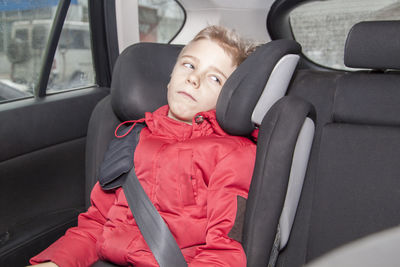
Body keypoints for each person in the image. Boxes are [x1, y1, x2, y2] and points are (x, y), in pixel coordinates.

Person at [29, 25, 257, 267]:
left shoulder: (233, 154)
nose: (193, 78)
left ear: (230, 99)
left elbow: (225, 253)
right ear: (170, 79)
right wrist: (54, 262)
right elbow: (96, 225)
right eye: (189, 65)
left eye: (215, 78)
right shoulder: (132, 138)